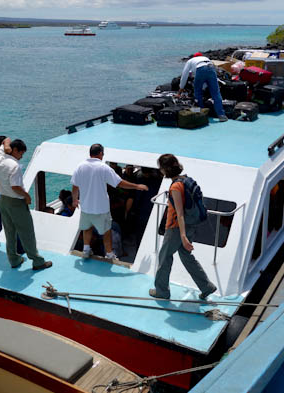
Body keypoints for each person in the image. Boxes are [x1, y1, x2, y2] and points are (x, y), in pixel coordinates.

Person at [149, 154, 216, 300]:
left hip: (176, 228)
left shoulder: (175, 187)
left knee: (164, 257)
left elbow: (179, 214)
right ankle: (207, 286)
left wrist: (183, 237)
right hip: (191, 225)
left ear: (165, 169)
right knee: (186, 256)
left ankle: (161, 292)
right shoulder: (186, 180)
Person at [71, 143, 149, 260]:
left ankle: (86, 250)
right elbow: (119, 183)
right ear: (101, 153)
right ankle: (109, 254)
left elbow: (75, 186)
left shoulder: (80, 166)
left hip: (86, 207)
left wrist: (74, 200)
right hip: (101, 208)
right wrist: (137, 186)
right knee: (107, 231)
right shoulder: (104, 168)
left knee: (87, 228)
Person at [0, 137, 52, 270]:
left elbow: (6, 140)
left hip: (3, 200)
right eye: (21, 153)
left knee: (10, 232)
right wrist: (27, 196)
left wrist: (6, 146)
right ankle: (37, 261)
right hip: (16, 203)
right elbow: (15, 187)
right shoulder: (14, 166)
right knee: (27, 232)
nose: (21, 157)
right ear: (15, 150)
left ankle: (14, 259)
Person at [179, 52, 228, 122]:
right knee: (216, 93)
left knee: (198, 92)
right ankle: (221, 115)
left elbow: (184, 75)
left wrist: (181, 88)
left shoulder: (190, 61)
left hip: (200, 69)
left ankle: (202, 113)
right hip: (211, 68)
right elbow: (209, 76)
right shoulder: (206, 59)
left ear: (193, 57)